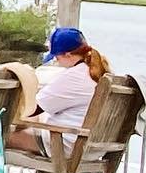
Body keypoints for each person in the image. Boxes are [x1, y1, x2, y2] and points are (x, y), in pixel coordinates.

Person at [6, 26, 109, 155]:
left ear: (68, 55)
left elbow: (33, 110)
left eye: (57, 57)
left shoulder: (74, 76)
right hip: (94, 149)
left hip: (65, 145)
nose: (56, 61)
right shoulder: (97, 72)